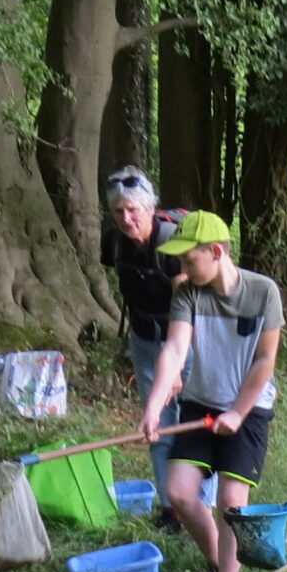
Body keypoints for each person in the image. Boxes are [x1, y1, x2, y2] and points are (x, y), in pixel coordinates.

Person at [138, 211, 284, 572]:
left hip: (250, 408)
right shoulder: (187, 294)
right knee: (180, 492)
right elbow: (175, 348)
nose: (182, 269)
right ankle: (221, 566)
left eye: (188, 259)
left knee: (231, 503)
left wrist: (238, 412)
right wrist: (154, 404)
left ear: (216, 253)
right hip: (200, 403)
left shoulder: (263, 292)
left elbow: (264, 360)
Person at [102, 166, 183, 510]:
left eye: (133, 209)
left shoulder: (170, 243)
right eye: (118, 211)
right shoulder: (114, 243)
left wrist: (176, 366)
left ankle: (197, 504)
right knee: (158, 425)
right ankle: (170, 507)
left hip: (183, 341)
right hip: (144, 340)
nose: (126, 218)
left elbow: (186, 307)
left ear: (149, 209)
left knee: (193, 421)